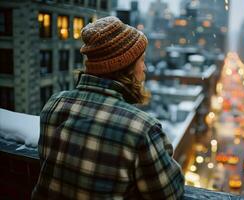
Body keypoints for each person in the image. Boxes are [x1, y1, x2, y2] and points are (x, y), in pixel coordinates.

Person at [32, 16, 185, 199]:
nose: (145, 68)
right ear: (126, 67)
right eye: (141, 60)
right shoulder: (141, 128)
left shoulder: (54, 105)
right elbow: (170, 194)